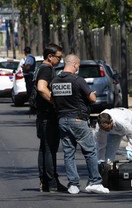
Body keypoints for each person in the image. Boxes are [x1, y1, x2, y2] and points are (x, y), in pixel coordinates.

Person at [51, 54, 109, 194]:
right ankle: (95, 182)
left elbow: (53, 99)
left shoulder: (55, 81)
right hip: (78, 119)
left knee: (68, 153)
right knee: (90, 151)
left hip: (62, 120)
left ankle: (73, 185)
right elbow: (93, 99)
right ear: (75, 65)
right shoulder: (78, 80)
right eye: (78, 66)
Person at [35, 43, 66, 192]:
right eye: (59, 58)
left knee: (44, 149)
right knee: (49, 149)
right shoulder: (46, 69)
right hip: (48, 115)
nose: (60, 60)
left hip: (42, 115)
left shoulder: (40, 68)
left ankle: (45, 182)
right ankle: (52, 182)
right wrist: (54, 102)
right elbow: (41, 87)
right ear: (50, 57)